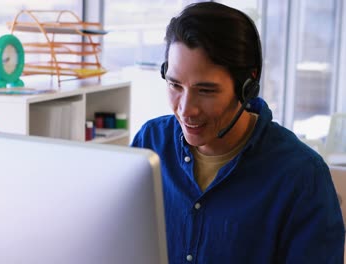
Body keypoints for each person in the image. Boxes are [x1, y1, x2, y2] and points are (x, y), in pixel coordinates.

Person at [131, 2, 345, 263]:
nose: (186, 110)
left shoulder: (301, 177)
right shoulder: (150, 143)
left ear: (247, 86)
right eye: (175, 85)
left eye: (206, 91)